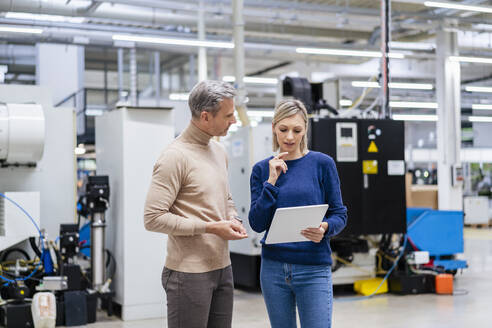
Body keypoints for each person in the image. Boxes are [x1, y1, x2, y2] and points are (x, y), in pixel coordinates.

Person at [144, 80, 248, 328]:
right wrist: (211, 228)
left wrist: (232, 217)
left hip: (223, 268)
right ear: (205, 117)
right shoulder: (174, 157)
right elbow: (153, 218)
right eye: (228, 115)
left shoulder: (219, 151)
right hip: (187, 274)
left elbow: (226, 198)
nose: (234, 120)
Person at [249, 99, 347, 328]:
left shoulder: (322, 164)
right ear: (274, 127)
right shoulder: (262, 169)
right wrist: (271, 182)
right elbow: (256, 222)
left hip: (314, 268)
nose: (290, 137)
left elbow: (339, 214)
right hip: (273, 269)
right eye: (283, 130)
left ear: (305, 129)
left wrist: (324, 228)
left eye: (297, 130)